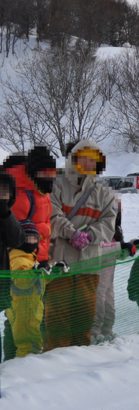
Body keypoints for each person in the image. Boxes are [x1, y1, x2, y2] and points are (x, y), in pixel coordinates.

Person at [48, 139, 119, 350]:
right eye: (84, 158)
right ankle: (55, 356)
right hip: (60, 262)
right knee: (57, 315)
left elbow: (109, 224)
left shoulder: (104, 193)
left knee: (86, 314)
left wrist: (88, 235)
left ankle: (81, 357)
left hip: (90, 263)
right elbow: (51, 214)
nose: (88, 164)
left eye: (93, 160)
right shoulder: (55, 183)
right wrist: (71, 233)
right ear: (74, 159)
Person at [3, 147, 55, 358]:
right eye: (44, 173)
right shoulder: (18, 193)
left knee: (32, 315)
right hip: (19, 263)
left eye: (51, 173)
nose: (49, 177)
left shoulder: (41, 190)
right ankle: (14, 363)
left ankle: (20, 360)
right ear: (32, 171)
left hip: (38, 261)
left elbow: (44, 227)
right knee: (20, 318)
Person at [0, 171, 26, 361]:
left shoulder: (6, 215)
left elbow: (18, 239)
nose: (2, 195)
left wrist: (6, 214)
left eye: (5, 191)